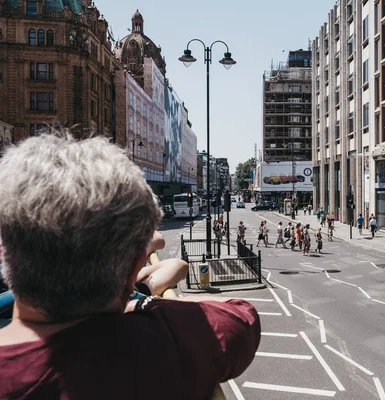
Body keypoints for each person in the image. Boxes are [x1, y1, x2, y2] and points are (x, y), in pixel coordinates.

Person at [0, 134, 261, 399]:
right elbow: (241, 318)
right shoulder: (165, 342)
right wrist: (142, 304)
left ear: (4, 251)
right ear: (136, 264)